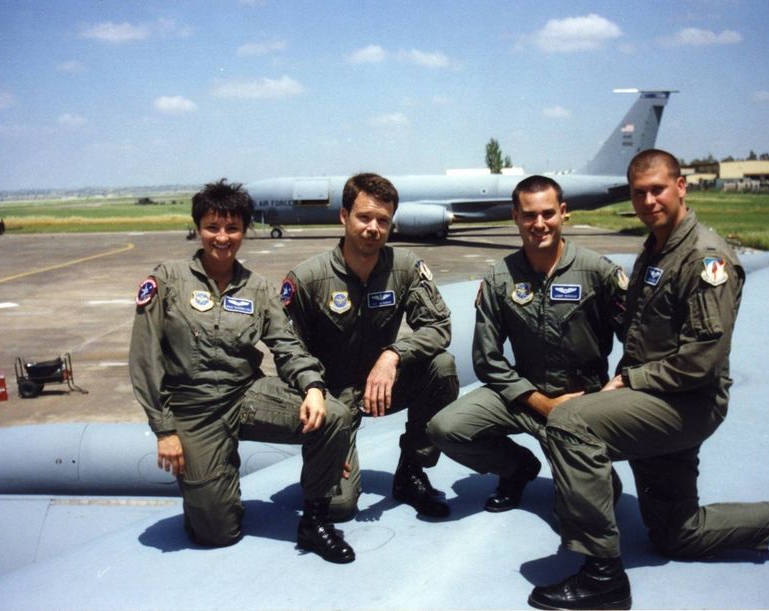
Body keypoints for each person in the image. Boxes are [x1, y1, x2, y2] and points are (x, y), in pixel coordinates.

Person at [528, 149, 769, 610]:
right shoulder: (658, 247)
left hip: (686, 400)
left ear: (681, 186)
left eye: (657, 189)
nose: (648, 200)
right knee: (677, 535)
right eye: (639, 192)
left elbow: (702, 359)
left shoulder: (704, 257)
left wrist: (627, 381)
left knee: (569, 423)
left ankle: (603, 575)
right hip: (660, 396)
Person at [129, 179, 355, 564]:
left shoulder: (259, 289)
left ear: (244, 231)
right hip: (194, 409)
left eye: (232, 228)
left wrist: (313, 386)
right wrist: (165, 429)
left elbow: (287, 345)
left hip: (245, 395)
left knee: (333, 415)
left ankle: (314, 522)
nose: (222, 237)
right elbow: (144, 358)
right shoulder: (167, 279)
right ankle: (211, 488)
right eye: (212, 227)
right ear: (198, 228)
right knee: (217, 534)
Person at [427, 175, 628, 513]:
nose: (539, 224)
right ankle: (517, 467)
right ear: (515, 217)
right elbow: (487, 359)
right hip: (523, 395)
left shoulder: (598, 272)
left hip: (581, 401)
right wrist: (540, 403)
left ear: (564, 213)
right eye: (529, 215)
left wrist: (614, 389)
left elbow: (637, 341)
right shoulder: (500, 278)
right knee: (445, 428)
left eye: (548, 214)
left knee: (599, 500)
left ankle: (577, 465)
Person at [281, 173, 459, 521]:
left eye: (383, 220)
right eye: (364, 217)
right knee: (339, 508)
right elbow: (288, 348)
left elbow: (439, 325)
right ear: (344, 216)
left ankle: (411, 472)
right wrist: (316, 395)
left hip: (383, 386)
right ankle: (327, 454)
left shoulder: (404, 268)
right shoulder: (308, 278)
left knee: (442, 367)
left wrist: (393, 355)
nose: (373, 228)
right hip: (330, 398)